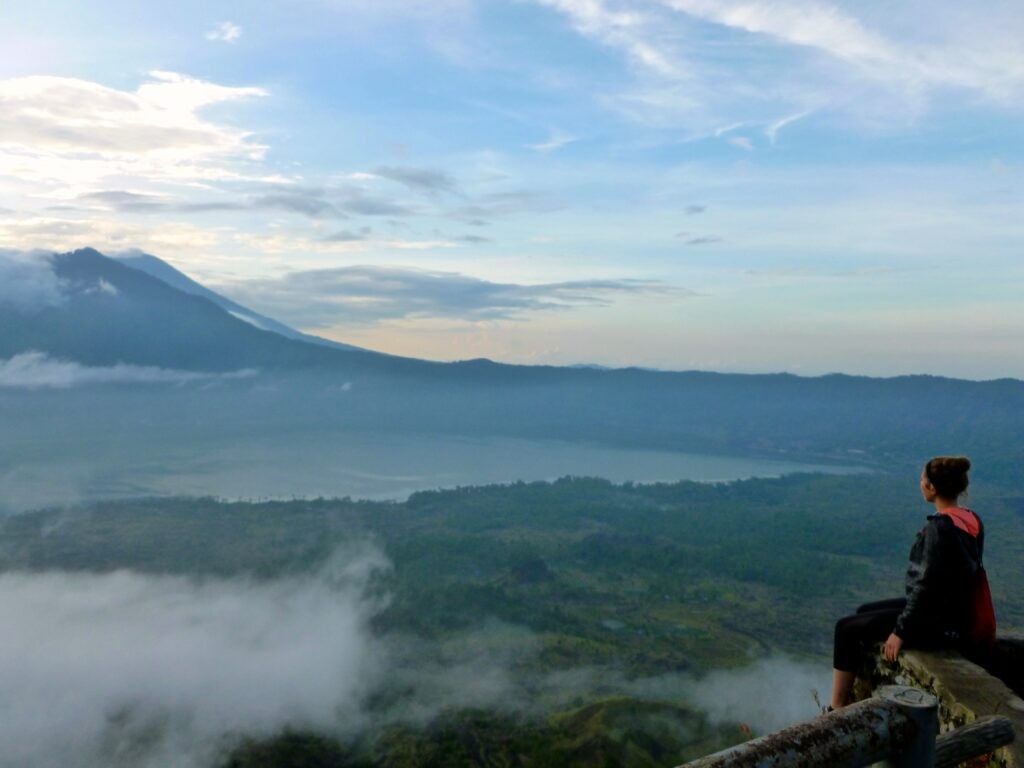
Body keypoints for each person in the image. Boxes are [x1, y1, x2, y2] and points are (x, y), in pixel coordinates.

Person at [828, 456, 989, 711]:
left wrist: (900, 632)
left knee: (845, 629)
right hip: (954, 614)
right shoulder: (971, 519)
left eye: (923, 480)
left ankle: (837, 706)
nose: (921, 484)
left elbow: (926, 586)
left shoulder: (939, 528)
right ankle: (856, 690)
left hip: (939, 622)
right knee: (863, 611)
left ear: (932, 487)